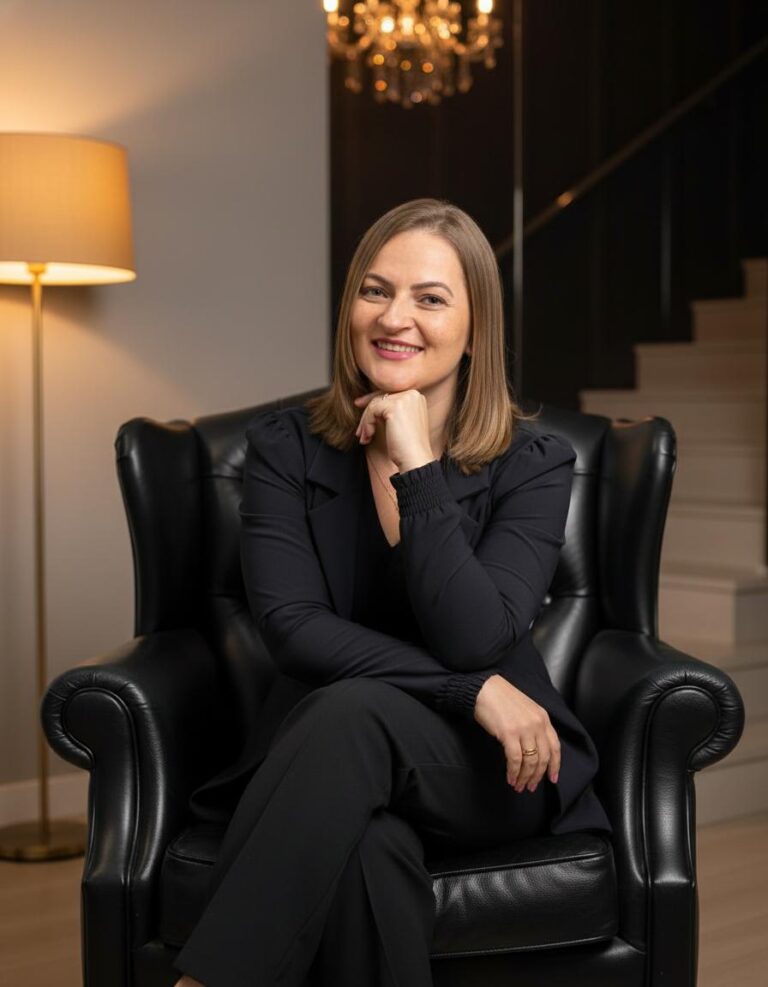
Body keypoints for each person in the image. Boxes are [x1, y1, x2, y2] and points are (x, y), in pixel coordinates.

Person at [172, 197, 612, 987]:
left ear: (475, 331)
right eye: (375, 291)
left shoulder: (534, 462)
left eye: (429, 298)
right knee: (364, 844)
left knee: (349, 711)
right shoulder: (285, 448)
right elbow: (295, 629)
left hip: (490, 766)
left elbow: (478, 635)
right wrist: (470, 688)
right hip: (329, 760)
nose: (393, 317)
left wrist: (418, 468)